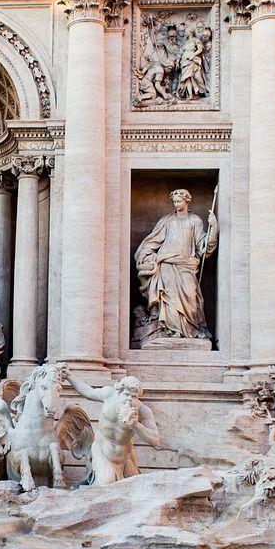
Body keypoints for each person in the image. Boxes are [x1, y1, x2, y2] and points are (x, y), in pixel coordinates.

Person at [134, 188, 217, 339]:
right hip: (166, 262)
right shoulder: (167, 220)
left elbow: (202, 246)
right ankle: (172, 330)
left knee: (191, 294)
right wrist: (144, 253)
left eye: (179, 201)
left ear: (187, 200)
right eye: (174, 202)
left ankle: (190, 328)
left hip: (186, 264)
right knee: (169, 296)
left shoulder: (195, 221)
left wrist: (213, 228)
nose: (176, 204)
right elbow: (155, 239)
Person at [65, 373, 161, 485]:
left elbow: (155, 441)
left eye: (134, 396)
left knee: (134, 487)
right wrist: (68, 375)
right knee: (107, 484)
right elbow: (87, 392)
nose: (129, 399)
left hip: (126, 456)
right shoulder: (108, 395)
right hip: (102, 451)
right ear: (119, 392)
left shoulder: (142, 410)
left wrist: (135, 424)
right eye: (126, 394)